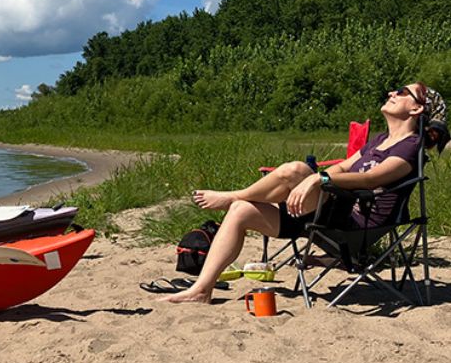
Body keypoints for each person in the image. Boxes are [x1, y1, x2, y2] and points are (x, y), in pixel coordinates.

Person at [160, 82, 447, 304]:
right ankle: (201, 290)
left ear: (416, 108)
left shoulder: (411, 147)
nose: (391, 92)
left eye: (401, 91)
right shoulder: (381, 139)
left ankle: (233, 195)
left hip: (357, 225)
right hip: (328, 216)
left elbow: (371, 178)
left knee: (296, 170)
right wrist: (319, 179)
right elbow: (343, 167)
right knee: (241, 212)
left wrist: (315, 180)